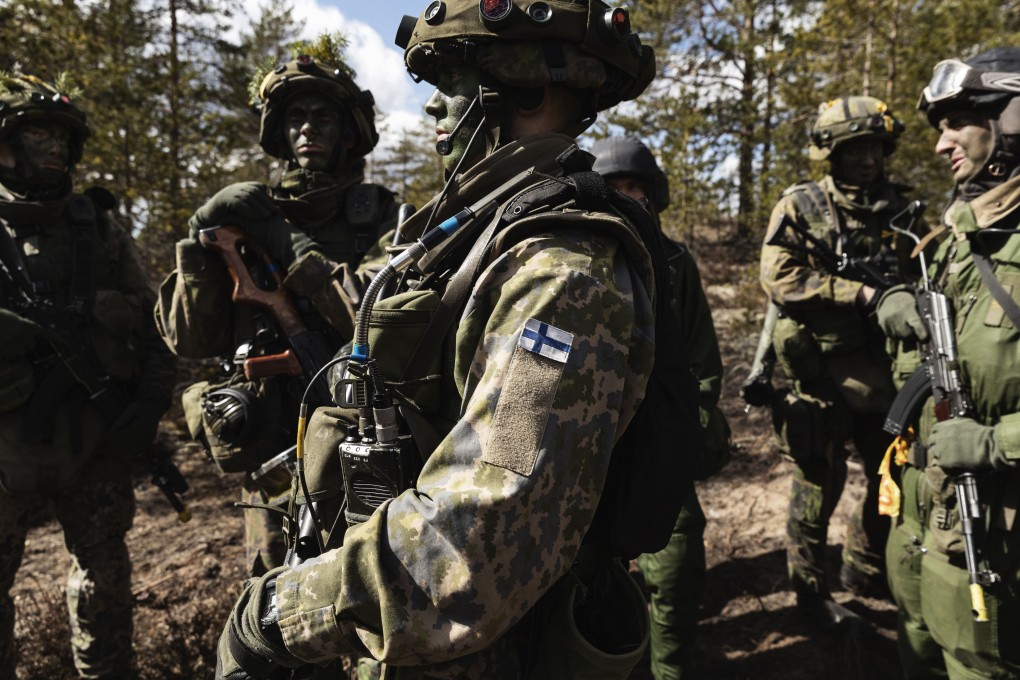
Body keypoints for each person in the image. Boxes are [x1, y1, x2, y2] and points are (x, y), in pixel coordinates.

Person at [211, 1, 676, 678]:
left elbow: (482, 540)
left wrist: (278, 615)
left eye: (452, 91)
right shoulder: (485, 233)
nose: (440, 124)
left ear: (517, 92)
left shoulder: (558, 273)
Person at [155, 54, 398, 574]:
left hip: (364, 446)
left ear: (349, 134)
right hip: (273, 456)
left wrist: (290, 244)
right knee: (274, 603)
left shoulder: (381, 215)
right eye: (296, 118)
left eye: (323, 118)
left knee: (369, 590)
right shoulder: (244, 219)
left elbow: (372, 313)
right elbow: (192, 340)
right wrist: (197, 243)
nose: (308, 128)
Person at [0, 73, 177, 679]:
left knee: (102, 583)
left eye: (61, 137)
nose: (52, 148)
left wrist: (150, 403)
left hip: (93, 440)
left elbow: (155, 324)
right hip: (4, 448)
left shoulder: (96, 228)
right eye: (36, 133)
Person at [877, 47, 1020, 678]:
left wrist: (996, 442)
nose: (941, 146)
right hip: (924, 524)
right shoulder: (959, 240)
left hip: (998, 537)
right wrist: (896, 304)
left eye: (956, 121)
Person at [759, 95, 919, 629]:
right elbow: (778, 277)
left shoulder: (903, 209)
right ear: (831, 154)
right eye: (854, 150)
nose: (867, 160)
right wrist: (859, 295)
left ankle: (863, 565)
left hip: (888, 377)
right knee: (815, 490)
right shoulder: (802, 206)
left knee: (891, 477)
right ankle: (808, 596)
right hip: (821, 376)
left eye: (874, 147)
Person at [591, 136, 730, 679]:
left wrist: (680, 440)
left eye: (637, 188)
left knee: (675, 576)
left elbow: (704, 364)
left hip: (659, 453)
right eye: (615, 189)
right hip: (589, 458)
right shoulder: (573, 263)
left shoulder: (675, 263)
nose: (629, 198)